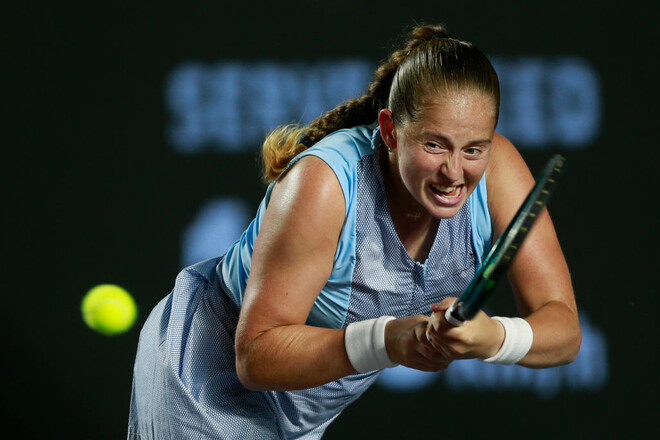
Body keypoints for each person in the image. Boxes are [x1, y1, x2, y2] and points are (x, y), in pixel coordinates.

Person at [128, 24, 581, 439]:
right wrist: (387, 339)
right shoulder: (323, 185)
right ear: (390, 130)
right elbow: (255, 357)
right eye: (433, 144)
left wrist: (494, 338)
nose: (454, 172)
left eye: (474, 148)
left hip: (303, 410)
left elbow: (563, 329)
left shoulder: (501, 171)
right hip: (203, 375)